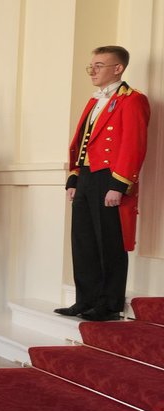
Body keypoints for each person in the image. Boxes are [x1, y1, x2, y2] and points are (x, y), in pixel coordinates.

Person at [56, 45, 151, 321]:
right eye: (92, 65)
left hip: (110, 177)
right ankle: (85, 300)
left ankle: (109, 305)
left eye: (99, 65)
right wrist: (75, 177)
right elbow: (83, 143)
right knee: (83, 241)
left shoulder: (133, 100)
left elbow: (134, 145)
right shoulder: (95, 100)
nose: (92, 71)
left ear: (118, 68)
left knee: (109, 242)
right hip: (87, 176)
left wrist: (119, 185)